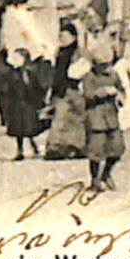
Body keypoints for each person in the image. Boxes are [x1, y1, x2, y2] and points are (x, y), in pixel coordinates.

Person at [82, 38, 125, 192]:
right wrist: (103, 92)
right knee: (96, 151)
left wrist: (121, 97)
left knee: (118, 148)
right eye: (104, 65)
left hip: (112, 117)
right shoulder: (89, 77)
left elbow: (122, 91)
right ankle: (95, 181)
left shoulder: (114, 76)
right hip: (96, 118)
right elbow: (87, 94)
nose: (108, 67)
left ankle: (106, 174)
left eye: (109, 64)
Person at [43, 23, 87, 160]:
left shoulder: (78, 53)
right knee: (59, 120)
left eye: (64, 36)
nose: (61, 38)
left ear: (73, 37)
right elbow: (56, 73)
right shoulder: (59, 52)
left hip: (74, 90)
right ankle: (56, 148)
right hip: (61, 90)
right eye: (60, 36)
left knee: (75, 121)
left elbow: (82, 71)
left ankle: (77, 147)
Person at [0, 49, 43, 159]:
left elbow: (36, 88)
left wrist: (38, 103)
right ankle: (20, 151)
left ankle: (34, 147)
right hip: (16, 104)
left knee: (29, 128)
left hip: (27, 104)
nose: (14, 60)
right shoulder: (12, 73)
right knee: (19, 129)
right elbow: (6, 88)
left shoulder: (29, 73)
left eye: (17, 58)